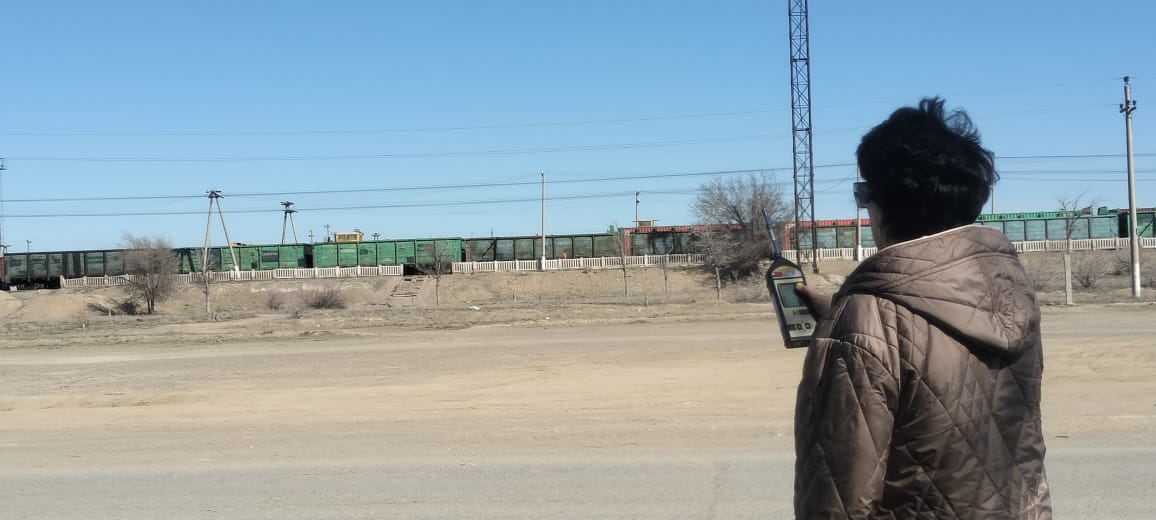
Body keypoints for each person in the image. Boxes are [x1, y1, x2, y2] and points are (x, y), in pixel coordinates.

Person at [792, 98, 1051, 518]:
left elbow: (837, 499)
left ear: (883, 203)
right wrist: (845, 315)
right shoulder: (1009, 292)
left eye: (863, 194)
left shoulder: (863, 322)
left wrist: (852, 327)